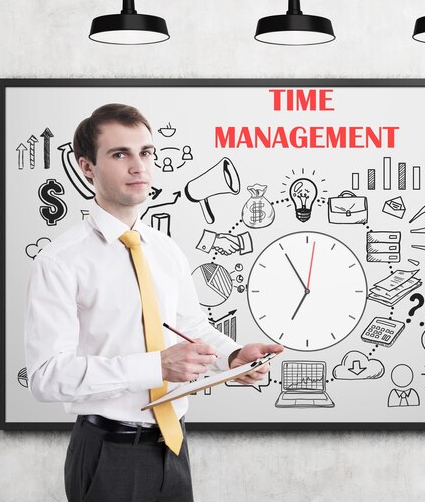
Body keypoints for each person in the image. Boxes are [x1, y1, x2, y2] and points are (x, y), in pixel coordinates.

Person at [24, 103, 283, 502]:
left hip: (174, 444)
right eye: (120, 154)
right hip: (107, 451)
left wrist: (232, 356)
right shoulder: (60, 261)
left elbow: (189, 326)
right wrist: (157, 366)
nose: (138, 166)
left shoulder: (165, 249)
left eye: (145, 153)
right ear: (86, 167)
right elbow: (46, 376)